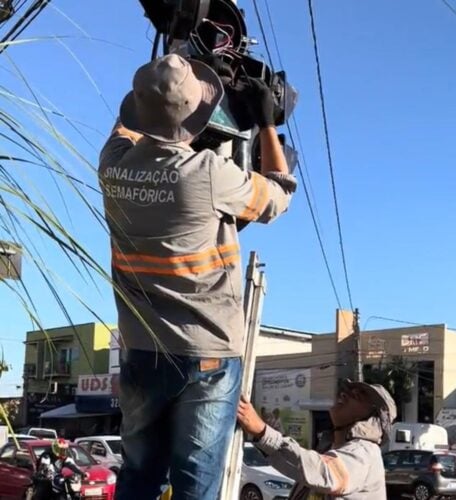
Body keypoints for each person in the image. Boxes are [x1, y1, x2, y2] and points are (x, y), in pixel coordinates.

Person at [98, 53, 296, 500]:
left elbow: (124, 128)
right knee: (195, 486)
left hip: (142, 350)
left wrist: (156, 86)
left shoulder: (112, 166)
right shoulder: (207, 173)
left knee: (138, 479)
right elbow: (279, 194)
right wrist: (266, 122)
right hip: (207, 354)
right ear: (193, 116)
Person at [238, 379, 397, 499]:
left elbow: (323, 472)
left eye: (356, 395)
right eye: (346, 391)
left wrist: (262, 431)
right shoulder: (330, 448)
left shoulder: (365, 452)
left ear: (373, 417)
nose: (342, 394)